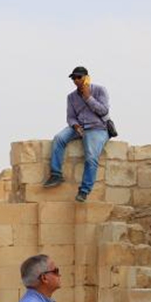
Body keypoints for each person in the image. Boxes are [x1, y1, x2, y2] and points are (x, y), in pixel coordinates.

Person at [43, 66, 110, 202]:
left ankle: (84, 191)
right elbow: (70, 117)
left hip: (97, 128)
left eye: (79, 77)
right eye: (74, 78)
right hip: (78, 127)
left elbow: (103, 111)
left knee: (91, 157)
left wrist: (88, 97)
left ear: (86, 77)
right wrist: (75, 125)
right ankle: (56, 174)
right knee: (59, 138)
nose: (76, 80)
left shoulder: (99, 90)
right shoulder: (71, 97)